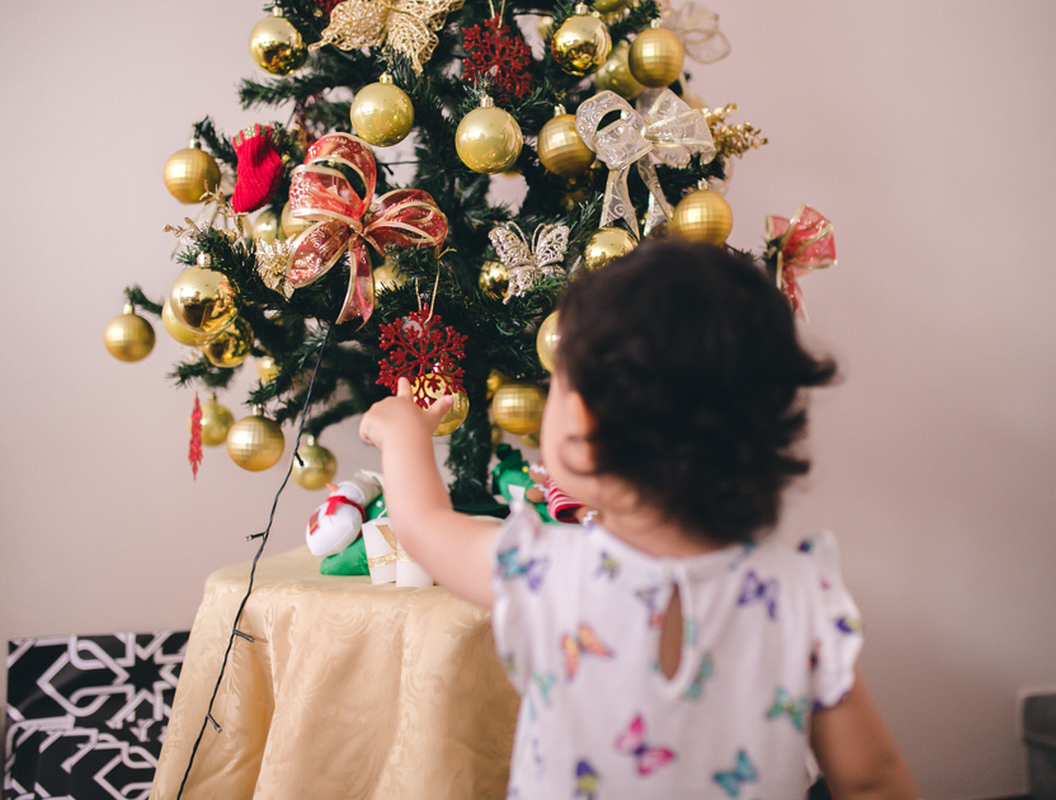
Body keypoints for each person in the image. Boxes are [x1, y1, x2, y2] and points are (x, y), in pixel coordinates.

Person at [359, 240, 919, 799]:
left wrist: (404, 432)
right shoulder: (801, 594)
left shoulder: (543, 572)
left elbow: (424, 525)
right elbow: (871, 781)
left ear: (580, 423)